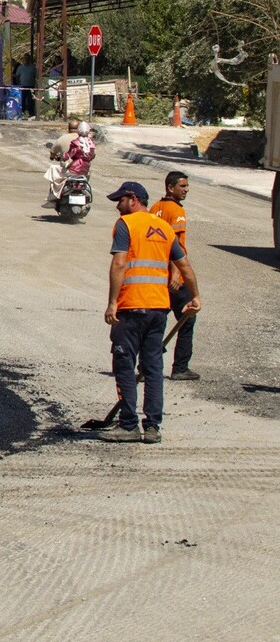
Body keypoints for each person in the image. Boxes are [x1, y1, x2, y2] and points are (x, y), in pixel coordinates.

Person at [98, 181, 201, 443]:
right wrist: (195, 296)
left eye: (120, 201)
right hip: (159, 309)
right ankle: (153, 427)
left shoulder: (126, 225)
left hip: (131, 307)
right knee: (153, 369)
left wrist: (112, 303)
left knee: (124, 364)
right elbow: (185, 266)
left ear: (133, 199)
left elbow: (120, 263)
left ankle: (129, 425)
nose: (118, 206)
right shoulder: (165, 228)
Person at [151, 172, 198, 381]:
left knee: (155, 324)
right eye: (182, 186)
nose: (186, 189)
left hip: (156, 277)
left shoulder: (155, 208)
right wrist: (177, 274)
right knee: (187, 319)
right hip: (172, 278)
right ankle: (180, 367)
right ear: (170, 188)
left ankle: (147, 366)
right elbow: (175, 245)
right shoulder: (176, 211)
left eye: (187, 186)